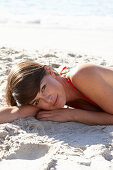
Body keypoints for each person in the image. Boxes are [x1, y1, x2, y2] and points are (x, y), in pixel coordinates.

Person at [0, 60, 113, 125]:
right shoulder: (49, 101)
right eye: (36, 101)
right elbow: (16, 112)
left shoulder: (81, 75)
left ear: (49, 71)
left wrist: (72, 114)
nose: (47, 99)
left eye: (43, 88)